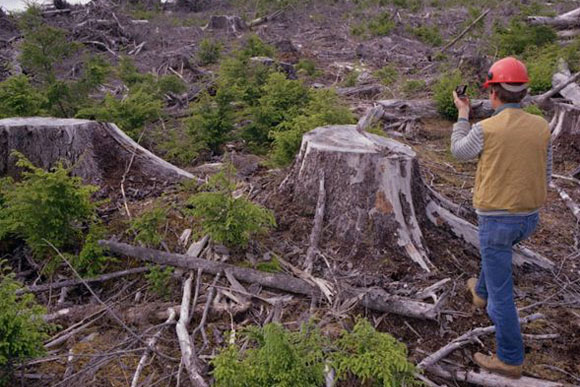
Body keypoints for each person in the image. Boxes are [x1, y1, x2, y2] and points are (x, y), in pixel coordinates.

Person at [450, 57, 552, 378]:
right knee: (495, 257)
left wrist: (463, 115)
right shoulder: (541, 126)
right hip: (529, 218)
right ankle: (480, 293)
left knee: (502, 296)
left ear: (493, 92)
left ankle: (510, 358)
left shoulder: (486, 129)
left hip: (497, 220)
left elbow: (459, 151)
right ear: (524, 92)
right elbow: (545, 173)